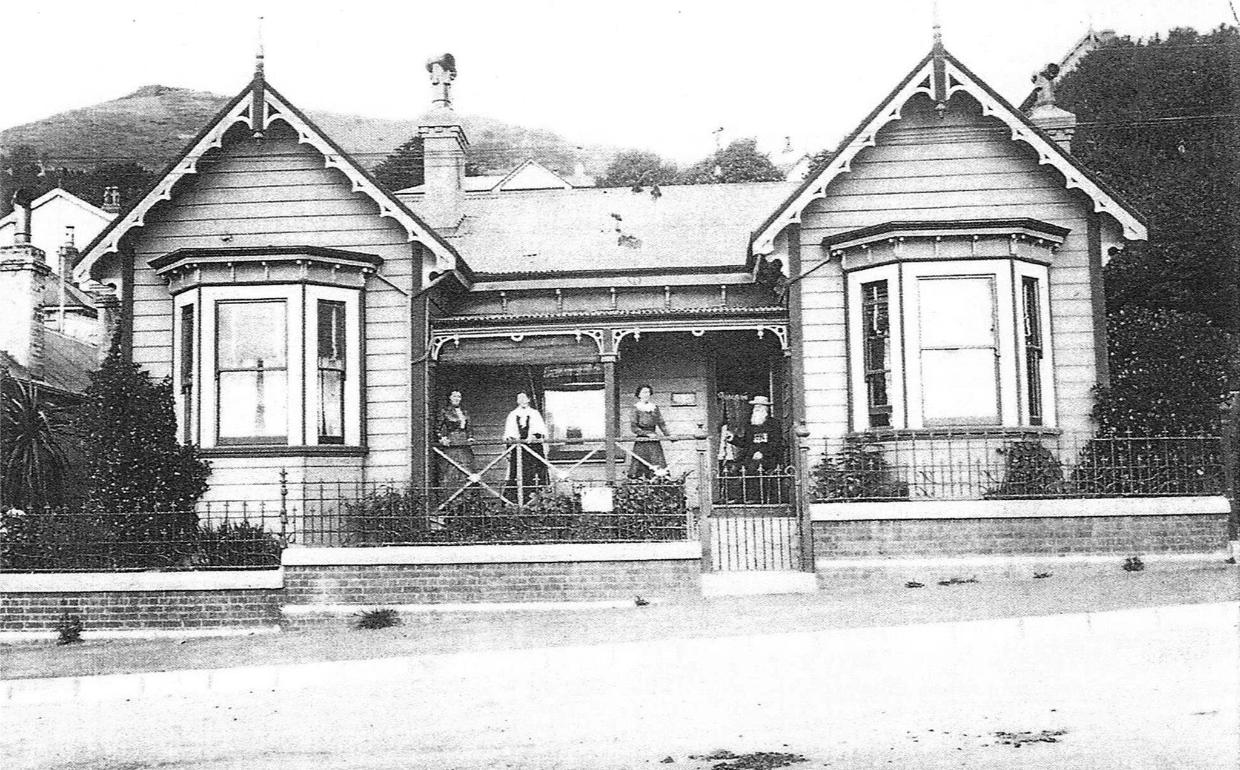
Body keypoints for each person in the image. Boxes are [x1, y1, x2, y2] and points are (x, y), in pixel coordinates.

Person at [733, 396, 784, 502]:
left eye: (759, 407)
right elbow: (745, 442)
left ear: (766, 409)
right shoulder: (750, 425)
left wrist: (762, 452)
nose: (756, 409)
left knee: (754, 468)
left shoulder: (774, 424)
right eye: (755, 407)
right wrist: (733, 439)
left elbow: (776, 443)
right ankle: (741, 497)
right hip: (750, 456)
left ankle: (756, 498)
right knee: (736, 467)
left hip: (769, 457)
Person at [503, 391, 549, 502]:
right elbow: (509, 432)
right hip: (519, 450)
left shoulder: (534, 413)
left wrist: (533, 435)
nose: (523, 400)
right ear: (517, 401)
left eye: (525, 398)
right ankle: (517, 501)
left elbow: (541, 430)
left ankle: (539, 500)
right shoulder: (513, 414)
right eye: (520, 398)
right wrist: (512, 439)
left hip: (533, 449)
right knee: (518, 472)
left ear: (529, 400)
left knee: (535, 473)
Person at [434, 390, 475, 489]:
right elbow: (437, 427)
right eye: (454, 396)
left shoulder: (464, 412)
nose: (457, 399)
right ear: (449, 398)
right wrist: (442, 438)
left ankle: (467, 496)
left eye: (459, 397)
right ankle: (451, 496)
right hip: (453, 439)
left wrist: (470, 437)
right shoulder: (445, 411)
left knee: (466, 466)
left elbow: (469, 427)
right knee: (452, 467)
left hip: (463, 441)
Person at [628, 384, 669, 478]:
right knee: (640, 463)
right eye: (644, 392)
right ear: (639, 394)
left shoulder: (654, 407)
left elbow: (661, 423)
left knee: (657, 463)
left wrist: (669, 436)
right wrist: (646, 434)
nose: (647, 394)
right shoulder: (635, 408)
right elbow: (634, 428)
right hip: (642, 441)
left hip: (654, 441)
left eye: (648, 392)